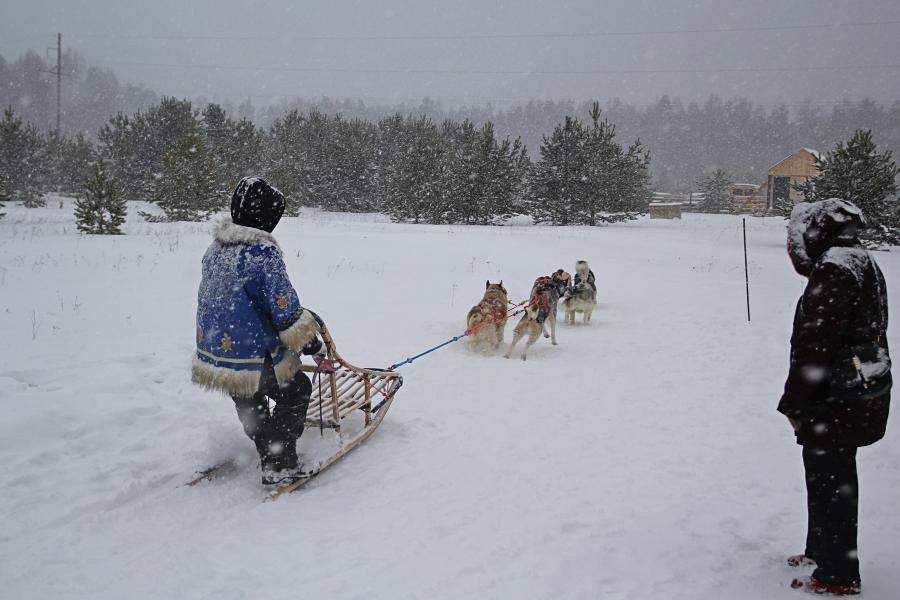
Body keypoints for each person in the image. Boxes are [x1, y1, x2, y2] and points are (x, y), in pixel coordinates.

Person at [778, 198, 891, 596]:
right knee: (828, 476)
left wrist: (795, 402)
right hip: (858, 390)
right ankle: (821, 550)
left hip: (837, 398)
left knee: (832, 480)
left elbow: (816, 344)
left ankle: (839, 575)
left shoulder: (836, 268)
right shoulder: (858, 258)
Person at [192, 176, 324, 485]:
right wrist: (310, 343)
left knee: (250, 403)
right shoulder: (262, 255)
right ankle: (278, 463)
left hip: (217, 352)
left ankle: (267, 447)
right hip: (254, 351)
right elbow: (284, 308)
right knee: (296, 392)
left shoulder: (215, 250)